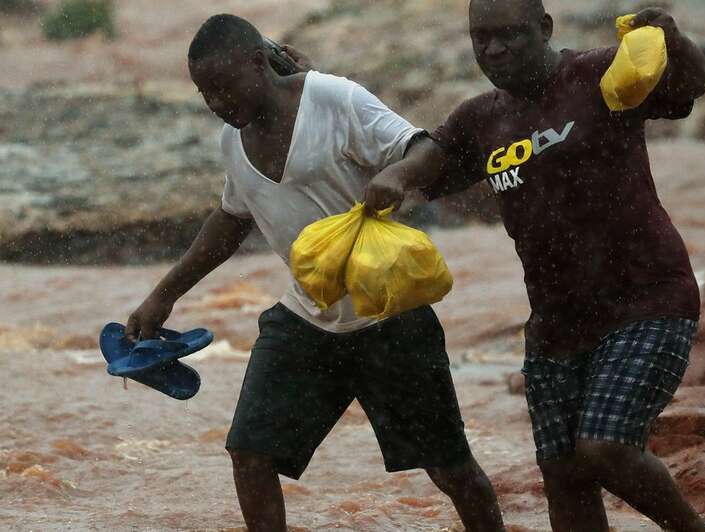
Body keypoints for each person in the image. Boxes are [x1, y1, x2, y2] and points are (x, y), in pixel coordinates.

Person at [355, 2, 705, 531]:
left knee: (605, 449)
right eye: (480, 38)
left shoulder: (599, 74)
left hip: (648, 300)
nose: (494, 48)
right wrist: (398, 175)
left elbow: (690, 85)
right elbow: (434, 155)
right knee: (563, 475)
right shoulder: (480, 118)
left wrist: (674, 38)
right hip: (557, 325)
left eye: (508, 34)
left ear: (545, 28)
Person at [123, 14, 504, 532]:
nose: (215, 102)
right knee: (250, 455)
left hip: (391, 319)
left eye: (222, 86)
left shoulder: (335, 98)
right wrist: (162, 296)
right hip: (306, 321)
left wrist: (395, 175)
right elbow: (231, 221)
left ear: (258, 62)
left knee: (451, 469)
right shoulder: (231, 143)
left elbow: (424, 148)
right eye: (204, 93)